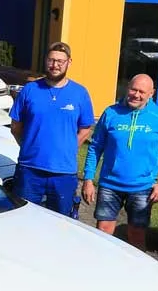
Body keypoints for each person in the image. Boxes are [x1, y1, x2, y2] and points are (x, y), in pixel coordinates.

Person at [82, 74, 158, 251]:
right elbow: (95, 147)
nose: (136, 95)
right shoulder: (111, 113)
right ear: (127, 88)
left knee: (137, 236)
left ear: (151, 93)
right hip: (110, 184)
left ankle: (137, 275)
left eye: (142, 92)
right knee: (102, 234)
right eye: (133, 89)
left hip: (142, 187)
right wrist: (88, 179)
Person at [8, 43, 94, 216]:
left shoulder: (80, 93)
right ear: (46, 61)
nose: (55, 65)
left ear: (69, 62)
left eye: (60, 61)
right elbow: (16, 127)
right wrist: (29, 145)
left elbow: (86, 129)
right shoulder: (30, 90)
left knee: (61, 223)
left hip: (63, 173)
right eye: (52, 60)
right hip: (30, 170)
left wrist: (68, 147)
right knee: (24, 219)